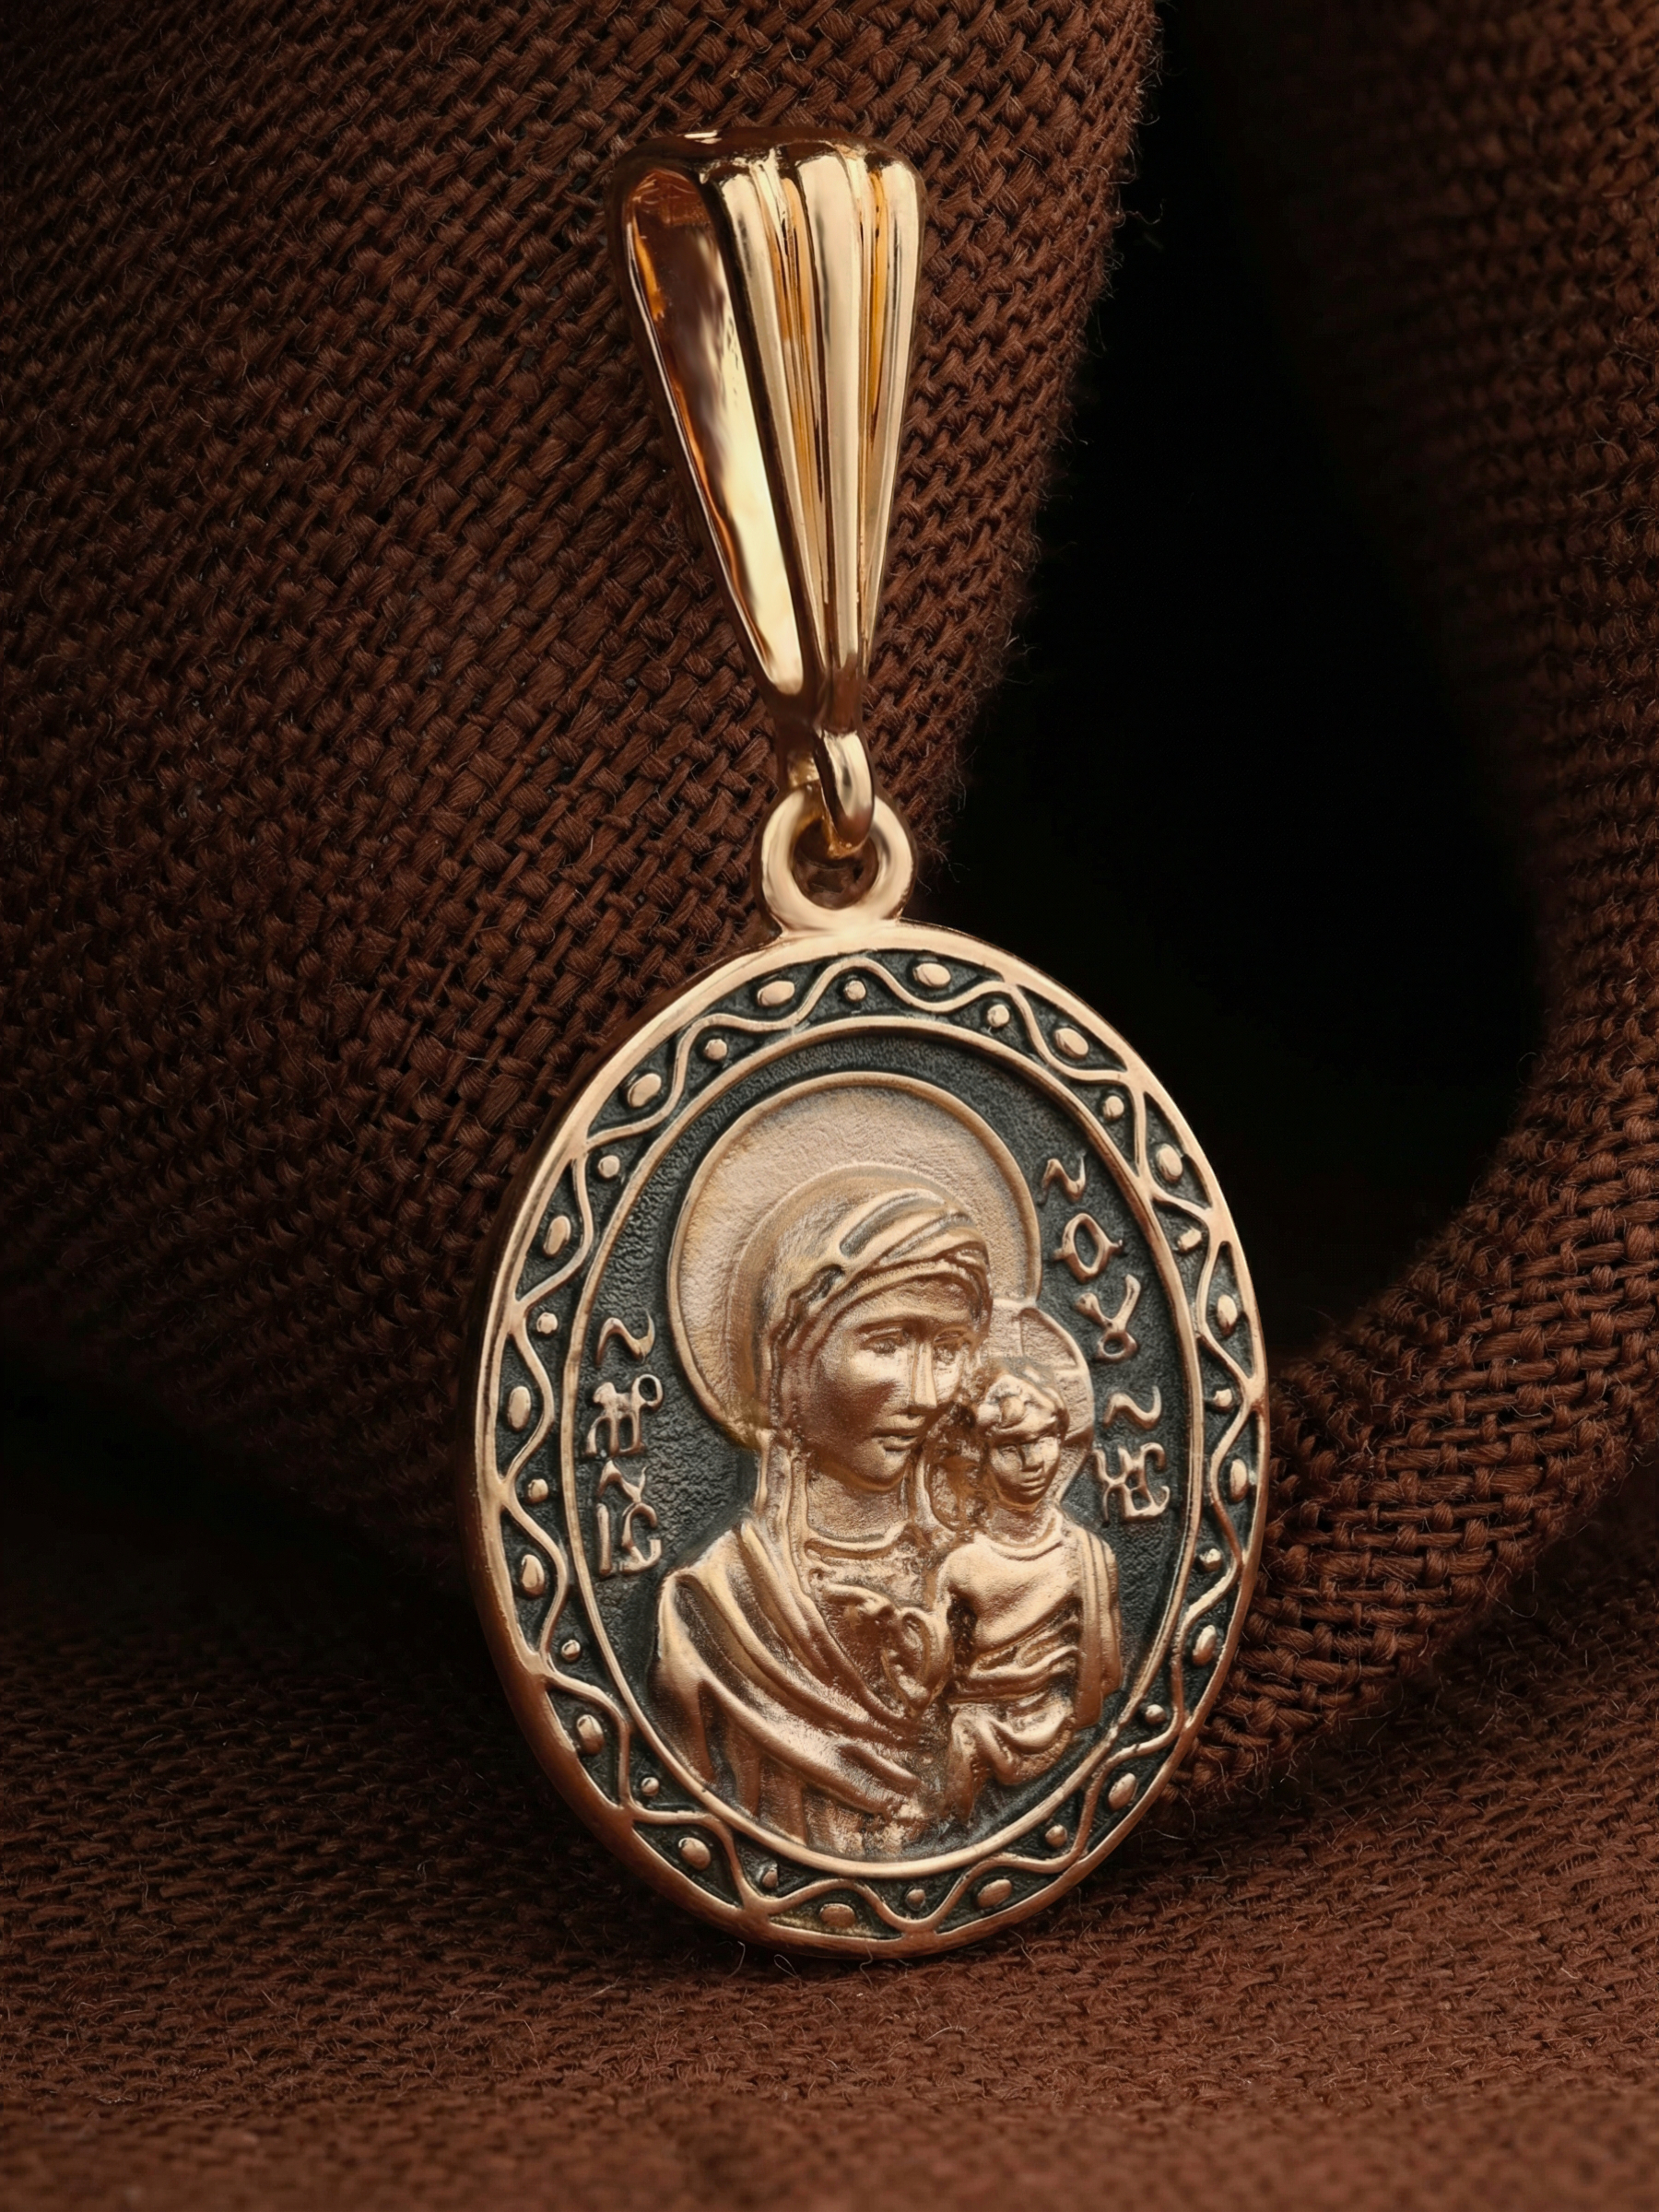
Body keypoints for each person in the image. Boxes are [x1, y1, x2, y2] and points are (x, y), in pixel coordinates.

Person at [929, 1357, 1122, 1822]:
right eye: (1011, 1447)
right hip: (967, 1742)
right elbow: (930, 1682)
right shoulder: (959, 1568)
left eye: (1044, 1440)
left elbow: (1109, 1677)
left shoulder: (1092, 1558)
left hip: (1065, 1736)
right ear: (980, 1457)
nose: (1033, 1461)